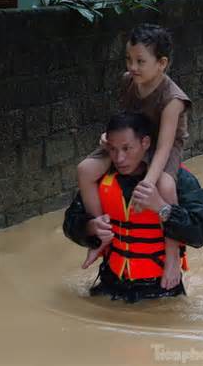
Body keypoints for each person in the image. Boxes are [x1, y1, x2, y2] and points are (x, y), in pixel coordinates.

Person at [76, 24, 191, 290]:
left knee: (166, 185)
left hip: (162, 145)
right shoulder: (127, 81)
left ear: (162, 63)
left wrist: (149, 182)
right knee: (85, 170)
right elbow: (123, 121)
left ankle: (172, 254)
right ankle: (102, 235)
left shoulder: (173, 99)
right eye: (129, 59)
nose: (133, 66)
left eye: (141, 61)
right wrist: (108, 137)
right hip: (129, 143)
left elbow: (163, 147)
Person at [63, 112, 203, 303]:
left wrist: (163, 208)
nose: (119, 158)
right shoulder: (100, 179)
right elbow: (70, 223)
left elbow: (199, 233)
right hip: (110, 284)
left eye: (127, 148)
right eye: (113, 150)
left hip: (162, 290)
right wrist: (89, 227)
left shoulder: (177, 179)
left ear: (145, 143)